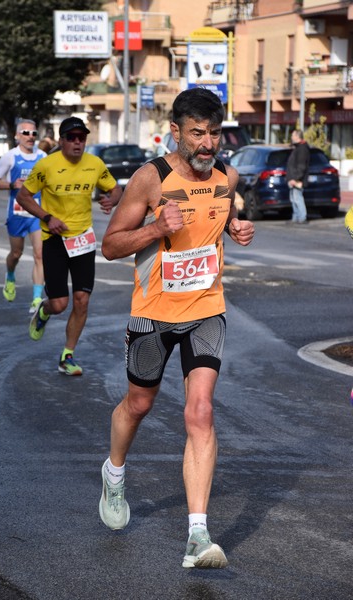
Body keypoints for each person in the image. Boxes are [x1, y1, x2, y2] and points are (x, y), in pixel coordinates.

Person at [98, 88, 255, 568]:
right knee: (139, 403)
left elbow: (231, 210)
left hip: (207, 308)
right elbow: (110, 246)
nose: (207, 145)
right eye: (197, 134)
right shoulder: (150, 179)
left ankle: (197, 535)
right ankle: (114, 472)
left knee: (201, 412)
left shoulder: (227, 174)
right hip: (153, 314)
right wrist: (154, 229)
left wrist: (239, 229)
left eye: (214, 134)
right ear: (177, 132)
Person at [16, 117, 123, 376]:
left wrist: (111, 200)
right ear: (61, 140)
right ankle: (44, 309)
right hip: (54, 239)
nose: (77, 142)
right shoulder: (47, 166)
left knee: (82, 300)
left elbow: (116, 188)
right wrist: (47, 217)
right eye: (72, 137)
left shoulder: (95, 164)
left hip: (82, 240)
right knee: (60, 304)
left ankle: (67, 355)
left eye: (82, 138)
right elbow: (23, 196)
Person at [0, 120, 46, 312]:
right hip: (16, 212)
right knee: (16, 253)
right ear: (17, 135)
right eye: (25, 133)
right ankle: (11, 275)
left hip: (37, 213)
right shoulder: (10, 157)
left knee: (40, 254)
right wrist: (12, 185)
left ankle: (37, 299)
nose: (30, 137)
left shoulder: (42, 156)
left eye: (33, 133)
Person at [286, 129, 310, 224]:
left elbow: (301, 166)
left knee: (298, 198)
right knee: (293, 198)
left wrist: (295, 179)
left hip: (297, 179)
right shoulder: (297, 147)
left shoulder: (302, 149)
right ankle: (295, 217)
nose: (291, 137)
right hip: (292, 178)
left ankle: (302, 217)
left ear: (297, 137)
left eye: (293, 135)